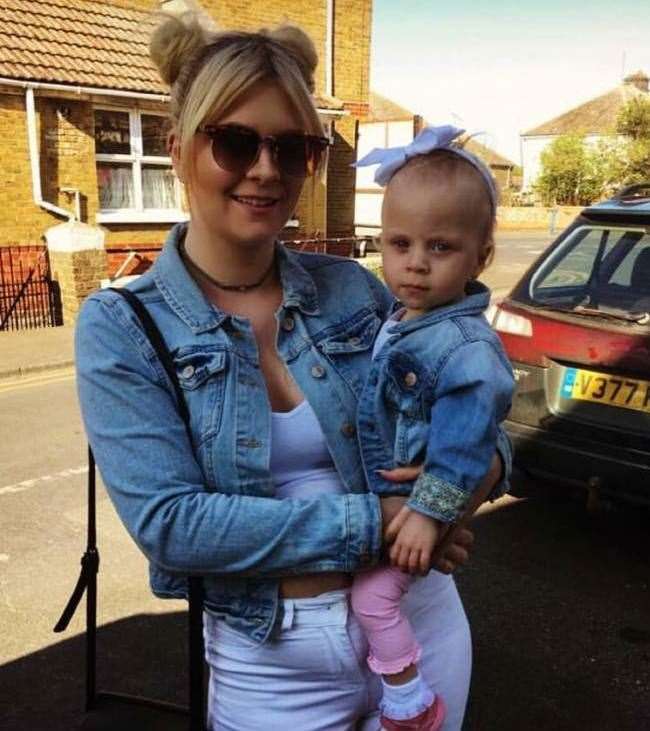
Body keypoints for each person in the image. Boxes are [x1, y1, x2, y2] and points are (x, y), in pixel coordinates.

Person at [74, 12, 511, 731]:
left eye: (294, 148)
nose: (267, 170)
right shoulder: (124, 326)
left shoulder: (359, 289)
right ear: (179, 148)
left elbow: (483, 421)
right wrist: (383, 521)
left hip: (420, 623)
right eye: (236, 141)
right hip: (275, 663)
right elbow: (173, 524)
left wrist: (451, 500)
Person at [350, 127, 515, 730]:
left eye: (440, 247)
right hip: (397, 511)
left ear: (480, 255)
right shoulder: (405, 318)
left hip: (414, 515)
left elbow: (466, 442)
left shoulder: (465, 346)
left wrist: (431, 512)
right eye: (400, 243)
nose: (415, 263)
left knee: (372, 598)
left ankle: (410, 701)